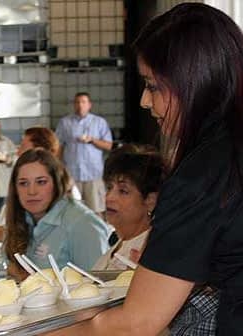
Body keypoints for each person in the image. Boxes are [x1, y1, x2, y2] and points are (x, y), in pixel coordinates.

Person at [41, 3, 243, 336]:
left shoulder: (204, 174)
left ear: (193, 81)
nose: (144, 102)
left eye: (153, 86)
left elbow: (136, 323)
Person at [4, 148, 110, 281]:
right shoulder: (22, 219)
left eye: (41, 182)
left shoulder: (83, 224)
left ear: (57, 183)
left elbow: (99, 285)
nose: (31, 191)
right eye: (23, 183)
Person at [0, 126, 81, 241]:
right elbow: (25, 231)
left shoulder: (60, 188)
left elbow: (39, 236)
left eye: (23, 147)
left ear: (39, 152)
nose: (18, 152)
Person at [93, 145, 165, 270]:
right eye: (109, 188)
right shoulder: (119, 244)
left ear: (150, 200)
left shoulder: (150, 255)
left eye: (123, 191)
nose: (109, 197)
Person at [56, 92, 113, 216]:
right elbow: (59, 147)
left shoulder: (99, 122)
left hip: (93, 174)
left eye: (83, 102)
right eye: (77, 102)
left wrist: (92, 140)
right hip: (72, 175)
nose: (80, 105)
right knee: (72, 211)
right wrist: (58, 168)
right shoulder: (65, 123)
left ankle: (98, 235)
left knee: (96, 210)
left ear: (89, 105)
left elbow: (109, 145)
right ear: (73, 104)